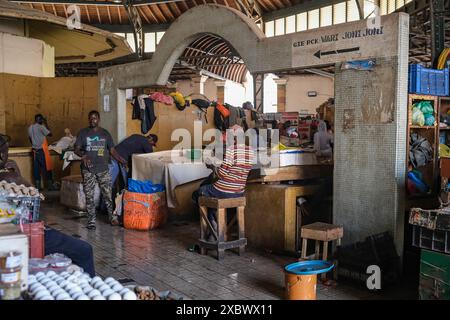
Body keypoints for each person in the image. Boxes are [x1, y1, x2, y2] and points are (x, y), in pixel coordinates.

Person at [0, 133, 96, 276]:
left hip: (10, 232)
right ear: (2, 155)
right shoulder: (9, 176)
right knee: (84, 249)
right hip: (19, 234)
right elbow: (35, 198)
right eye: (7, 153)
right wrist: (18, 174)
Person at [195, 125, 255, 242]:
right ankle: (217, 226)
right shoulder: (250, 150)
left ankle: (213, 225)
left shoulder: (231, 149)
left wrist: (213, 167)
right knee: (211, 197)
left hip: (225, 190)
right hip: (239, 191)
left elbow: (222, 174)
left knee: (201, 191)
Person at [74, 110, 126, 230]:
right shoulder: (83, 133)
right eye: (91, 118)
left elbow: (112, 151)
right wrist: (83, 155)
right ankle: (91, 220)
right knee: (89, 195)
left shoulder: (105, 133)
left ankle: (112, 218)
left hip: (103, 168)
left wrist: (121, 160)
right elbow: (76, 149)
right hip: (88, 169)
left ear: (99, 119)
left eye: (95, 118)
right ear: (88, 119)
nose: (93, 121)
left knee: (107, 194)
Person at [28, 114, 56, 190]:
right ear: (40, 120)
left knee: (36, 169)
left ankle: (38, 186)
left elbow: (30, 139)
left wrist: (35, 144)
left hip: (35, 151)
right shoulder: (41, 127)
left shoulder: (30, 127)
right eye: (42, 120)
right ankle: (50, 186)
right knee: (48, 168)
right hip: (42, 150)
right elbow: (50, 134)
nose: (42, 121)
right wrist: (46, 123)